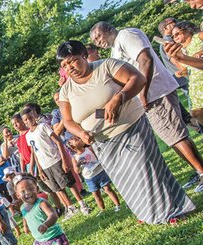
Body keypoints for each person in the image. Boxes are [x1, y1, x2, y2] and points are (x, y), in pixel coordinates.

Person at [57, 40, 195, 224]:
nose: (69, 67)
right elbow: (68, 121)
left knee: (147, 171)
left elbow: (137, 78)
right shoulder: (66, 91)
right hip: (103, 141)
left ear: (84, 55)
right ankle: (146, 212)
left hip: (132, 127)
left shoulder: (107, 66)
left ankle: (168, 212)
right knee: (126, 179)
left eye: (72, 60)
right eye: (64, 65)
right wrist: (81, 133)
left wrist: (119, 97)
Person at [91, 22, 203, 188]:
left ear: (108, 29)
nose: (98, 41)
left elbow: (145, 59)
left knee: (176, 137)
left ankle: (201, 172)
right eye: (95, 41)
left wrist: (143, 93)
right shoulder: (115, 50)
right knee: (172, 138)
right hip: (149, 97)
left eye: (98, 36)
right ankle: (198, 171)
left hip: (156, 93)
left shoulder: (127, 35)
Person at [21, 107, 91, 219]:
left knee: (69, 183)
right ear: (23, 121)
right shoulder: (28, 135)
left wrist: (64, 160)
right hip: (45, 166)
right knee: (57, 188)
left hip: (55, 160)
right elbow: (35, 152)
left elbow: (58, 141)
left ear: (34, 116)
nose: (29, 121)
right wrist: (39, 170)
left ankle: (83, 205)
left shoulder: (43, 127)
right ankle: (71, 208)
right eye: (26, 120)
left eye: (30, 117)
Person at [66, 136, 122, 212]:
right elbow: (77, 171)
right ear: (73, 148)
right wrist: (78, 164)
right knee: (96, 194)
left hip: (100, 172)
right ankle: (102, 210)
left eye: (79, 138)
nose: (80, 139)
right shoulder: (75, 158)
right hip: (89, 178)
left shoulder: (89, 149)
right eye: (76, 140)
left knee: (108, 189)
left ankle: (118, 205)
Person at [172, 22, 203, 130]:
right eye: (173, 36)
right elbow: (187, 70)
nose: (175, 37)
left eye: (177, 34)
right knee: (196, 113)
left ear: (186, 30)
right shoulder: (179, 52)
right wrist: (181, 72)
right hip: (195, 83)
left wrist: (200, 51)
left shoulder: (199, 37)